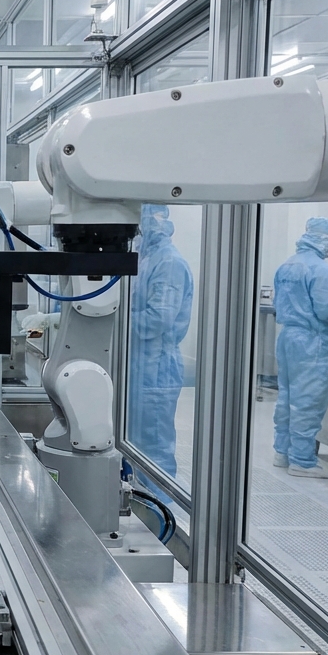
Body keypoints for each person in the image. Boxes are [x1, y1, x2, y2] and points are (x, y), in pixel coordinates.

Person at [272, 217, 328, 478]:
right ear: (325, 239)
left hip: (287, 338)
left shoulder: (287, 265)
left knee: (286, 396)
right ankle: (302, 461)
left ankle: (281, 452)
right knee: (307, 400)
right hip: (311, 341)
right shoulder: (321, 269)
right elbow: (327, 310)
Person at [129, 205, 194, 496]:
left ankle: (160, 511)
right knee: (134, 441)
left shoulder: (168, 262)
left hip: (156, 367)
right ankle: (142, 504)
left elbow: (158, 319)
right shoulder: (146, 258)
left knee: (154, 444)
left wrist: (115, 321)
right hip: (138, 362)